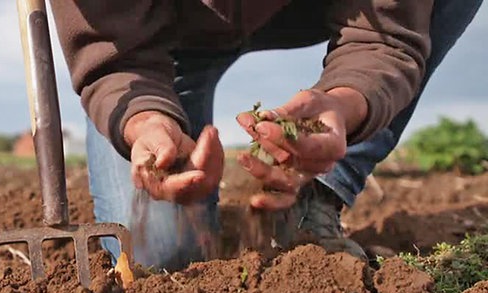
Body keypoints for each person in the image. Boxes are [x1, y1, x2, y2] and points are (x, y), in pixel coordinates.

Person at [49, 0, 483, 271]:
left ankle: (314, 193)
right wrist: (146, 123)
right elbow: (117, 58)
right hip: (160, 39)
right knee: (159, 260)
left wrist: (343, 104)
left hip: (307, 9)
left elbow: (384, 36)